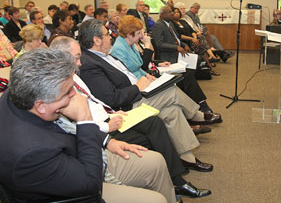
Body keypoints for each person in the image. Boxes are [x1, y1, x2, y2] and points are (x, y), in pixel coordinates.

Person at [0, 48, 171, 202]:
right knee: (155, 200)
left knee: (155, 161)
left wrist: (107, 141)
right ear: (41, 105)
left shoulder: (20, 91)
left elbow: (65, 128)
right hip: (77, 183)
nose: (75, 95)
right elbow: (91, 184)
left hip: (76, 153)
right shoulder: (30, 152)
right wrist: (84, 119)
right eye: (68, 92)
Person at [50, 36, 211, 199]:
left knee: (170, 113)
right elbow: (75, 122)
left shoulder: (76, 74)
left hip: (111, 114)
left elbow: (94, 101)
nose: (80, 62)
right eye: (77, 58)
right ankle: (178, 172)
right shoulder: (62, 85)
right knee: (162, 113)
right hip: (106, 123)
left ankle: (182, 166)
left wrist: (110, 112)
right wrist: (108, 123)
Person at [78, 19, 217, 175]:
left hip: (139, 91)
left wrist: (145, 79)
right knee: (171, 91)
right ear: (96, 40)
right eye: (107, 34)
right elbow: (112, 98)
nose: (111, 36)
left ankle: (187, 157)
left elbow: (132, 71)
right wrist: (138, 86)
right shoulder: (90, 64)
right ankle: (197, 115)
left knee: (172, 111)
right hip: (129, 104)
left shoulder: (104, 55)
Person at [112, 14, 221, 114]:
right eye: (138, 33)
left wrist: (155, 67)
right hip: (139, 84)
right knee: (178, 82)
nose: (141, 36)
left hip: (147, 75)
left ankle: (200, 107)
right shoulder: (119, 48)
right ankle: (197, 113)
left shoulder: (130, 44)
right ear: (129, 35)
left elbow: (139, 66)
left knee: (186, 74)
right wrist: (147, 46)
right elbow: (130, 72)